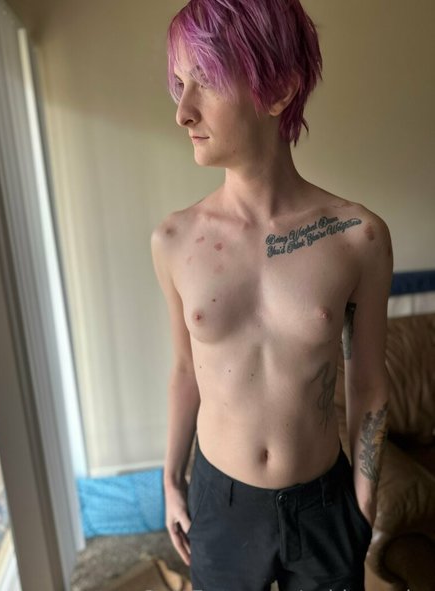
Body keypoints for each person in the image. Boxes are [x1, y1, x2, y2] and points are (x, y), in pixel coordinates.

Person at [150, 1, 393, 589]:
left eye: (205, 80)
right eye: (180, 83)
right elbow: (185, 370)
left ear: (279, 88)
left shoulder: (357, 237)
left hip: (324, 506)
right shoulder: (175, 240)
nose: (182, 111)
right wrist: (170, 480)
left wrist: (363, 504)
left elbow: (368, 382)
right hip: (222, 504)